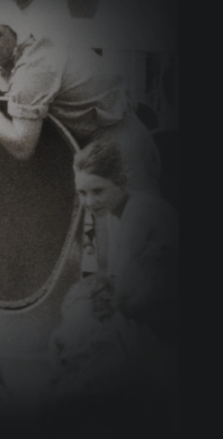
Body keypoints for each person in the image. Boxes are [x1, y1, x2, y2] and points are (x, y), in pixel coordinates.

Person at [0, 9, 160, 196]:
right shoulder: (34, 46)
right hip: (106, 142)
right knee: (114, 224)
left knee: (133, 222)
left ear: (16, 33)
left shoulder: (35, 65)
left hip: (120, 147)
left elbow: (23, 146)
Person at [72, 139, 179, 335]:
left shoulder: (138, 212)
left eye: (98, 191)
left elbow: (119, 288)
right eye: (82, 192)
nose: (89, 202)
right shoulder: (115, 213)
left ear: (121, 182)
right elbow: (113, 277)